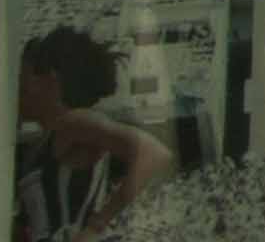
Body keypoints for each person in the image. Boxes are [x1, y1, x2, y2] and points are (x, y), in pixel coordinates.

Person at [14, 26, 168, 242]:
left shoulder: (74, 122)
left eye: (23, 79)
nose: (15, 88)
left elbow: (153, 153)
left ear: (50, 80)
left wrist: (96, 226)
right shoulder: (42, 143)